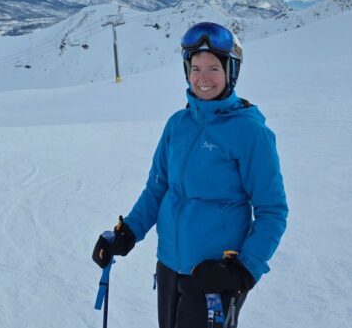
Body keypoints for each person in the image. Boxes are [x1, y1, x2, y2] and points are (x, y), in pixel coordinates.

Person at [92, 22, 288, 328]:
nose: (203, 78)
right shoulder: (177, 125)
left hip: (215, 274)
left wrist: (243, 271)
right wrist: (127, 233)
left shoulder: (250, 132)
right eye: (195, 68)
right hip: (169, 265)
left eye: (213, 68)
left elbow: (272, 211)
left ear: (230, 72)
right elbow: (158, 189)